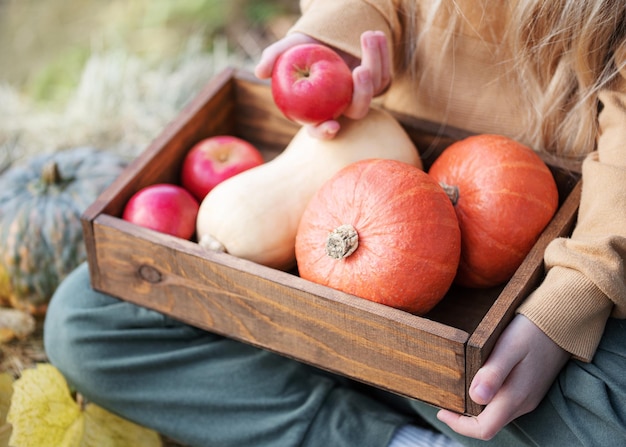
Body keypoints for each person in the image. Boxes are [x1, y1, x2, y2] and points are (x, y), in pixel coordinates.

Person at [44, 1, 626, 446]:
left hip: (550, 254)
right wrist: (335, 36)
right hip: (352, 193)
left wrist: (571, 301)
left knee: (609, 420)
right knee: (86, 320)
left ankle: (342, 388)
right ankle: (395, 434)